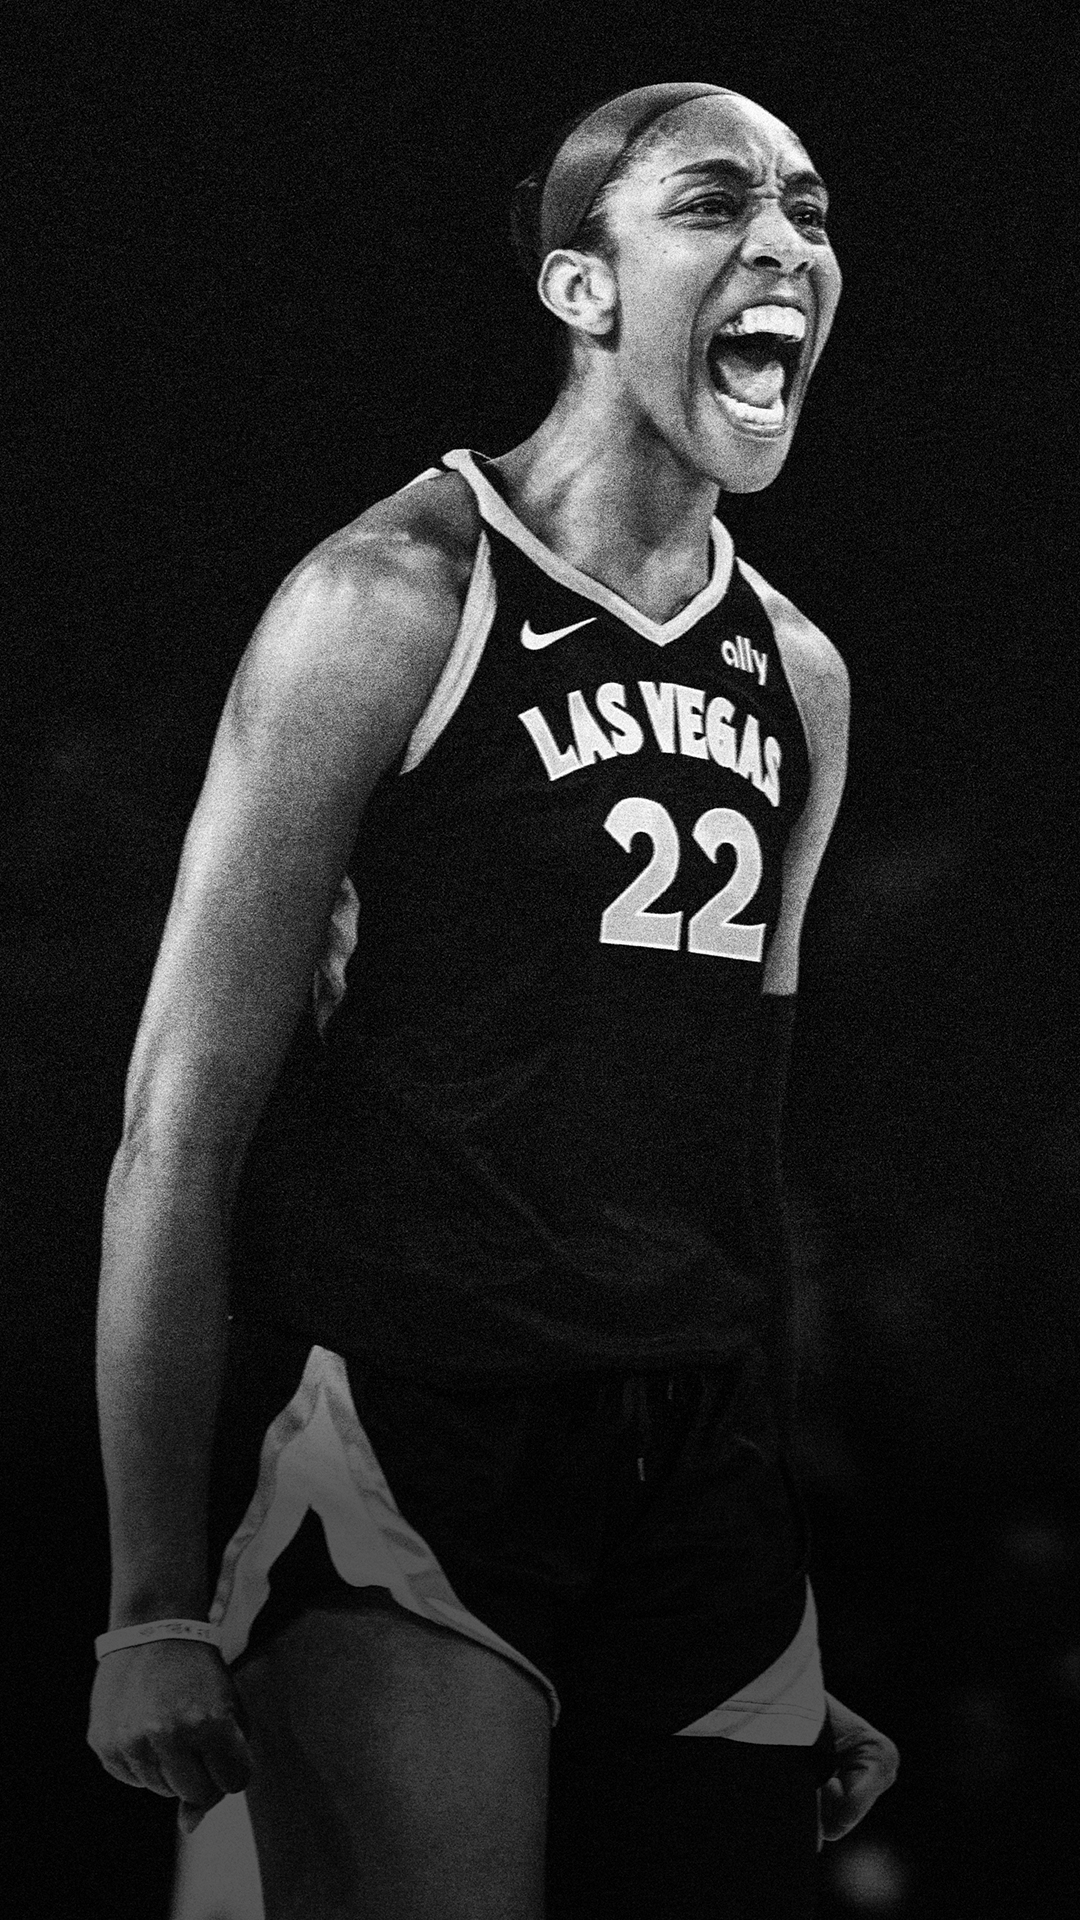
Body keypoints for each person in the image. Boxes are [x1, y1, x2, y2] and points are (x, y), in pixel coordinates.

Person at [88, 81, 899, 1920]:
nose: (786, 243)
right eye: (717, 204)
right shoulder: (386, 600)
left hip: (694, 1470)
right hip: (412, 1424)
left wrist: (777, 1571)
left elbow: (734, 1152)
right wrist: (146, 1600)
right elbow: (174, 1129)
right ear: (580, 287)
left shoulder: (801, 674)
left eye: (810, 209)